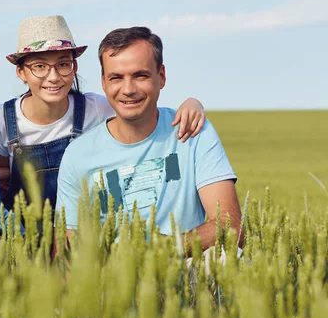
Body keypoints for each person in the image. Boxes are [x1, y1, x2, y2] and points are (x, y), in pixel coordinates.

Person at [0, 16, 206, 214]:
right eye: (40, 66)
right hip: (26, 232)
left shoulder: (97, 108)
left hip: (82, 229)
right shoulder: (3, 119)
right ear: (21, 72)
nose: (53, 77)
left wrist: (193, 103)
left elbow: (142, 114)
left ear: (74, 67)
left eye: (63, 64)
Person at [56, 26, 242, 251]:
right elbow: (66, 249)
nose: (128, 89)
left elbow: (230, 227)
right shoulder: (78, 154)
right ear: (104, 82)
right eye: (116, 78)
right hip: (111, 279)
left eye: (140, 75)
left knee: (229, 260)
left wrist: (162, 251)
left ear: (161, 77)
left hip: (187, 266)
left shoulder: (192, 131)